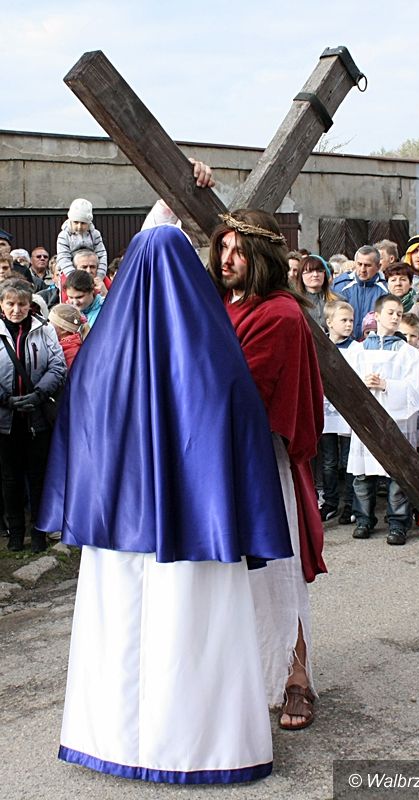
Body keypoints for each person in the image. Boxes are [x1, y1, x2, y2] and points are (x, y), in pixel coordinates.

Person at [37, 224, 294, 784]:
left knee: (117, 626)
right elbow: (239, 429)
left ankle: (106, 739)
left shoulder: (97, 358)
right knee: (195, 629)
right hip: (199, 525)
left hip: (116, 528)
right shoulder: (217, 357)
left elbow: (80, 437)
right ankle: (203, 748)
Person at [208, 209, 326, 731]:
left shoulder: (280, 314)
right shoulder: (218, 303)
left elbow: (242, 394)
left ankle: (296, 678)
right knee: (227, 579)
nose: (226, 258)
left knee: (275, 573)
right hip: (214, 459)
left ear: (260, 256)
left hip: (260, 462)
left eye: (238, 250)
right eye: (222, 247)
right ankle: (240, 678)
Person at [346, 294, 419, 546]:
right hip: (366, 419)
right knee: (363, 474)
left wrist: (387, 385)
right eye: (390, 312)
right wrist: (362, 383)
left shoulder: (409, 353)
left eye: (399, 314)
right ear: (377, 316)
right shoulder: (358, 350)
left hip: (396, 422)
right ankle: (363, 519)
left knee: (397, 475)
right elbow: (347, 381)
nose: (395, 317)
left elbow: (416, 390)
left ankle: (398, 523)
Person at [0, 278, 66, 552]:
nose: (16, 310)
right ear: (2, 304)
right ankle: (15, 532)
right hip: (5, 419)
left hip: (36, 417)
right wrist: (6, 400)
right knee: (10, 478)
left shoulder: (44, 329)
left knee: (38, 477)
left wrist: (39, 394)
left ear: (30, 305)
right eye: (10, 304)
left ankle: (39, 531)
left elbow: (57, 365)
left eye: (22, 304)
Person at [319, 299, 357, 525]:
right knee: (329, 461)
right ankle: (330, 502)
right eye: (344, 320)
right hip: (326, 412)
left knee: (348, 461)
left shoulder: (356, 349)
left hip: (348, 413)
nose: (349, 324)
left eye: (351, 320)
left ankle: (350, 504)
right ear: (330, 322)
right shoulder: (320, 346)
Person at [340, 245, 387, 339]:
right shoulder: (341, 286)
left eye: (367, 265)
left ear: (378, 267)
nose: (362, 270)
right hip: (346, 343)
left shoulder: (386, 290)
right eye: (359, 264)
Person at [56, 198, 107, 279]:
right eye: (76, 222)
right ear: (70, 221)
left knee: (109, 285)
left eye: (83, 223)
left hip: (93, 272)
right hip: (69, 273)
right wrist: (74, 277)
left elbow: (102, 255)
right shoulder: (64, 236)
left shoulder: (95, 234)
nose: (79, 226)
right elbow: (63, 258)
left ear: (89, 223)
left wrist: (100, 275)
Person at [294, 254, 338, 330]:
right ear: (301, 275)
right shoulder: (295, 302)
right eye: (309, 271)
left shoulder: (338, 300)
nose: (315, 275)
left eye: (319, 271)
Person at [48, 304, 89, 369]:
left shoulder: (69, 351)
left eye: (50, 323)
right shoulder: (63, 344)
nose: (47, 325)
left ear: (64, 330)